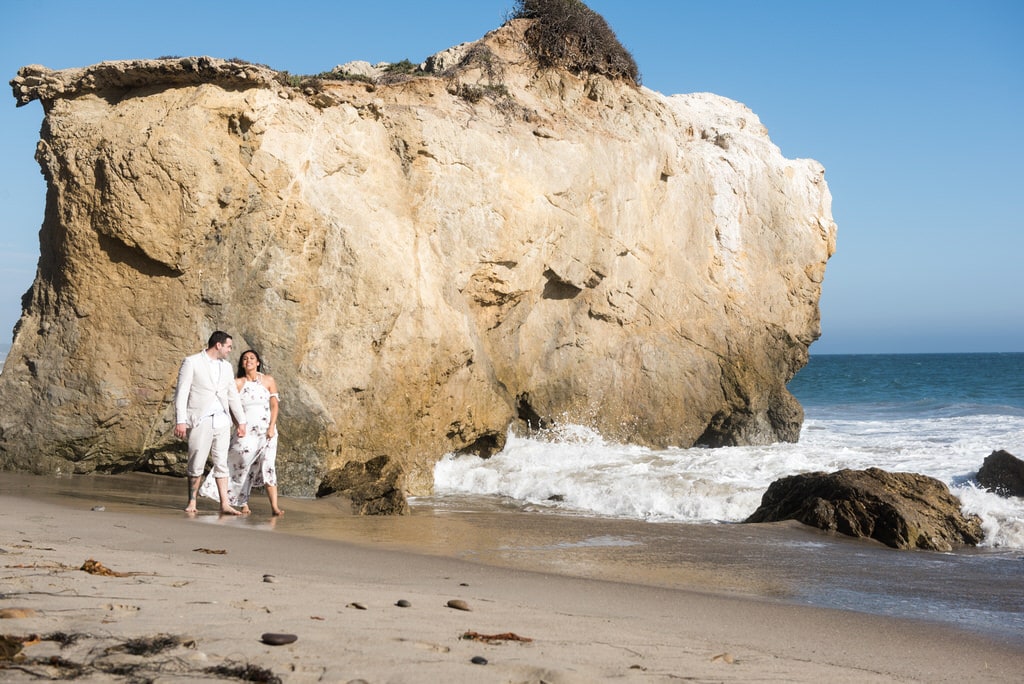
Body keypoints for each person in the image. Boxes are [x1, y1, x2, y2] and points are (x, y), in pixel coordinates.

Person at [198, 349, 283, 516]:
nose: (248, 360)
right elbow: (231, 408)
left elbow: (274, 405)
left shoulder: (268, 380)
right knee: (242, 465)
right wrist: (238, 425)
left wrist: (272, 426)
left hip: (267, 432)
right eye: (245, 358)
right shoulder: (237, 383)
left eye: (252, 358)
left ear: (258, 362)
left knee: (268, 466)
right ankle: (241, 502)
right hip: (246, 432)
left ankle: (274, 507)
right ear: (242, 363)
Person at [174, 331, 247, 514]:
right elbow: (182, 393)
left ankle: (224, 503)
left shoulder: (227, 367)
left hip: (222, 419)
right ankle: (192, 501)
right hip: (200, 418)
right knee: (196, 460)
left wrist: (241, 421)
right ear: (218, 345)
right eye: (228, 346)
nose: (230, 350)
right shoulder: (191, 362)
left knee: (221, 462)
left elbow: (232, 396)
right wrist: (180, 421)